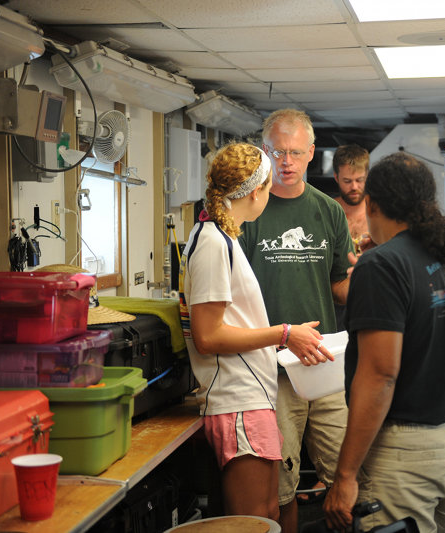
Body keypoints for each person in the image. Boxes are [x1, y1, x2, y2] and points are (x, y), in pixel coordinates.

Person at [324, 152, 445, 532]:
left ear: (373, 203)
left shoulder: (382, 267)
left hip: (402, 453)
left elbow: (380, 376)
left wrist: (345, 475)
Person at [179, 142, 329, 519]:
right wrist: (284, 334)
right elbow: (208, 336)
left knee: (268, 515)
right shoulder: (213, 243)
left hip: (252, 398)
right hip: (237, 400)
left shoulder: (224, 238)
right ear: (257, 191)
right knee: (252, 522)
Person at [237, 109, 354, 533]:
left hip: (325, 362)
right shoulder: (248, 212)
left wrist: (381, 281)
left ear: (310, 154)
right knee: (280, 489)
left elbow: (340, 287)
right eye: (277, 152)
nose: (285, 161)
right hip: (270, 367)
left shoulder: (329, 211)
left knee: (348, 472)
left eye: (294, 153)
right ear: (263, 153)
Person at [332, 144, 370, 250]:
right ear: (336, 177)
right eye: (347, 181)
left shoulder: (380, 215)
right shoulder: (326, 213)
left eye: (359, 180)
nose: (354, 187)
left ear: (367, 176)